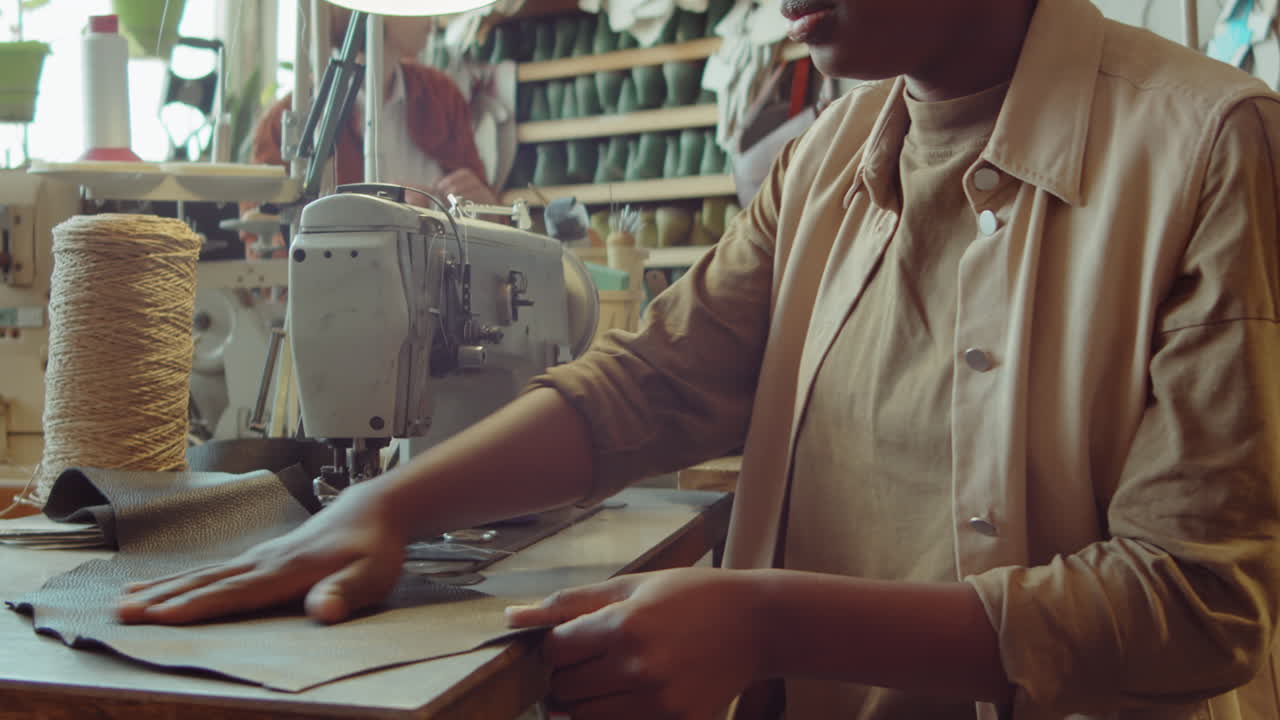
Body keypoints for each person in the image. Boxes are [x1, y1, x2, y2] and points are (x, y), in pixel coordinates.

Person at [119, 0, 1280, 718]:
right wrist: (386, 504)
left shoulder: (1208, 147)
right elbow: (654, 382)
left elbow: (1188, 607)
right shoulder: (823, 160)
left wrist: (765, 623)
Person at [243, 2, 495, 258]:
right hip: (340, 291)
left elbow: (490, 223)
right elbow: (261, 243)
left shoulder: (442, 96)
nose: (430, 12)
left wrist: (487, 206)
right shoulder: (290, 120)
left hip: (440, 288)